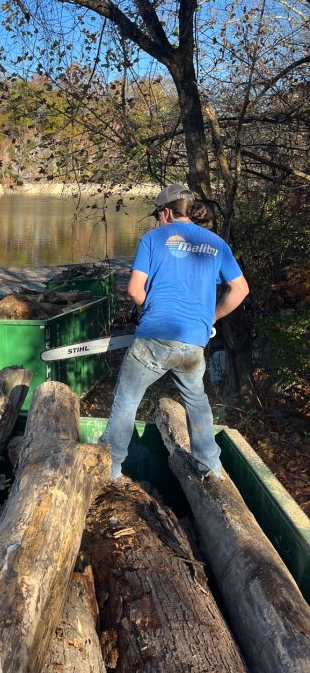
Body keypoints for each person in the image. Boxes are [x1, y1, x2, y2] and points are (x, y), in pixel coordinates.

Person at [99, 184, 249, 480]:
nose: (158, 220)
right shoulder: (217, 243)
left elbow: (134, 290)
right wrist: (210, 319)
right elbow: (240, 290)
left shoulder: (153, 239)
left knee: (127, 399)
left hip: (155, 337)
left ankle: (111, 467)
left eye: (158, 214)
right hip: (193, 342)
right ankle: (210, 466)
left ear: (166, 212)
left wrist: (150, 308)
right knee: (196, 400)